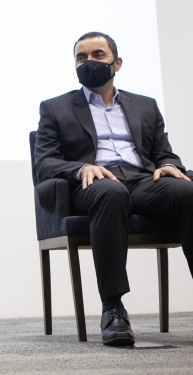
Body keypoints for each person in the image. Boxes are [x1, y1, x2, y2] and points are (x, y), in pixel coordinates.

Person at [35, 31, 193, 346]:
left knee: (188, 192)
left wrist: (169, 165)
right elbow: (45, 163)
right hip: (93, 184)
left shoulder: (145, 105)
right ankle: (113, 308)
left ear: (116, 63)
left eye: (97, 55)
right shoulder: (55, 108)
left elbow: (163, 153)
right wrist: (81, 168)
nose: (88, 62)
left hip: (143, 180)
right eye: (81, 57)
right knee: (111, 192)